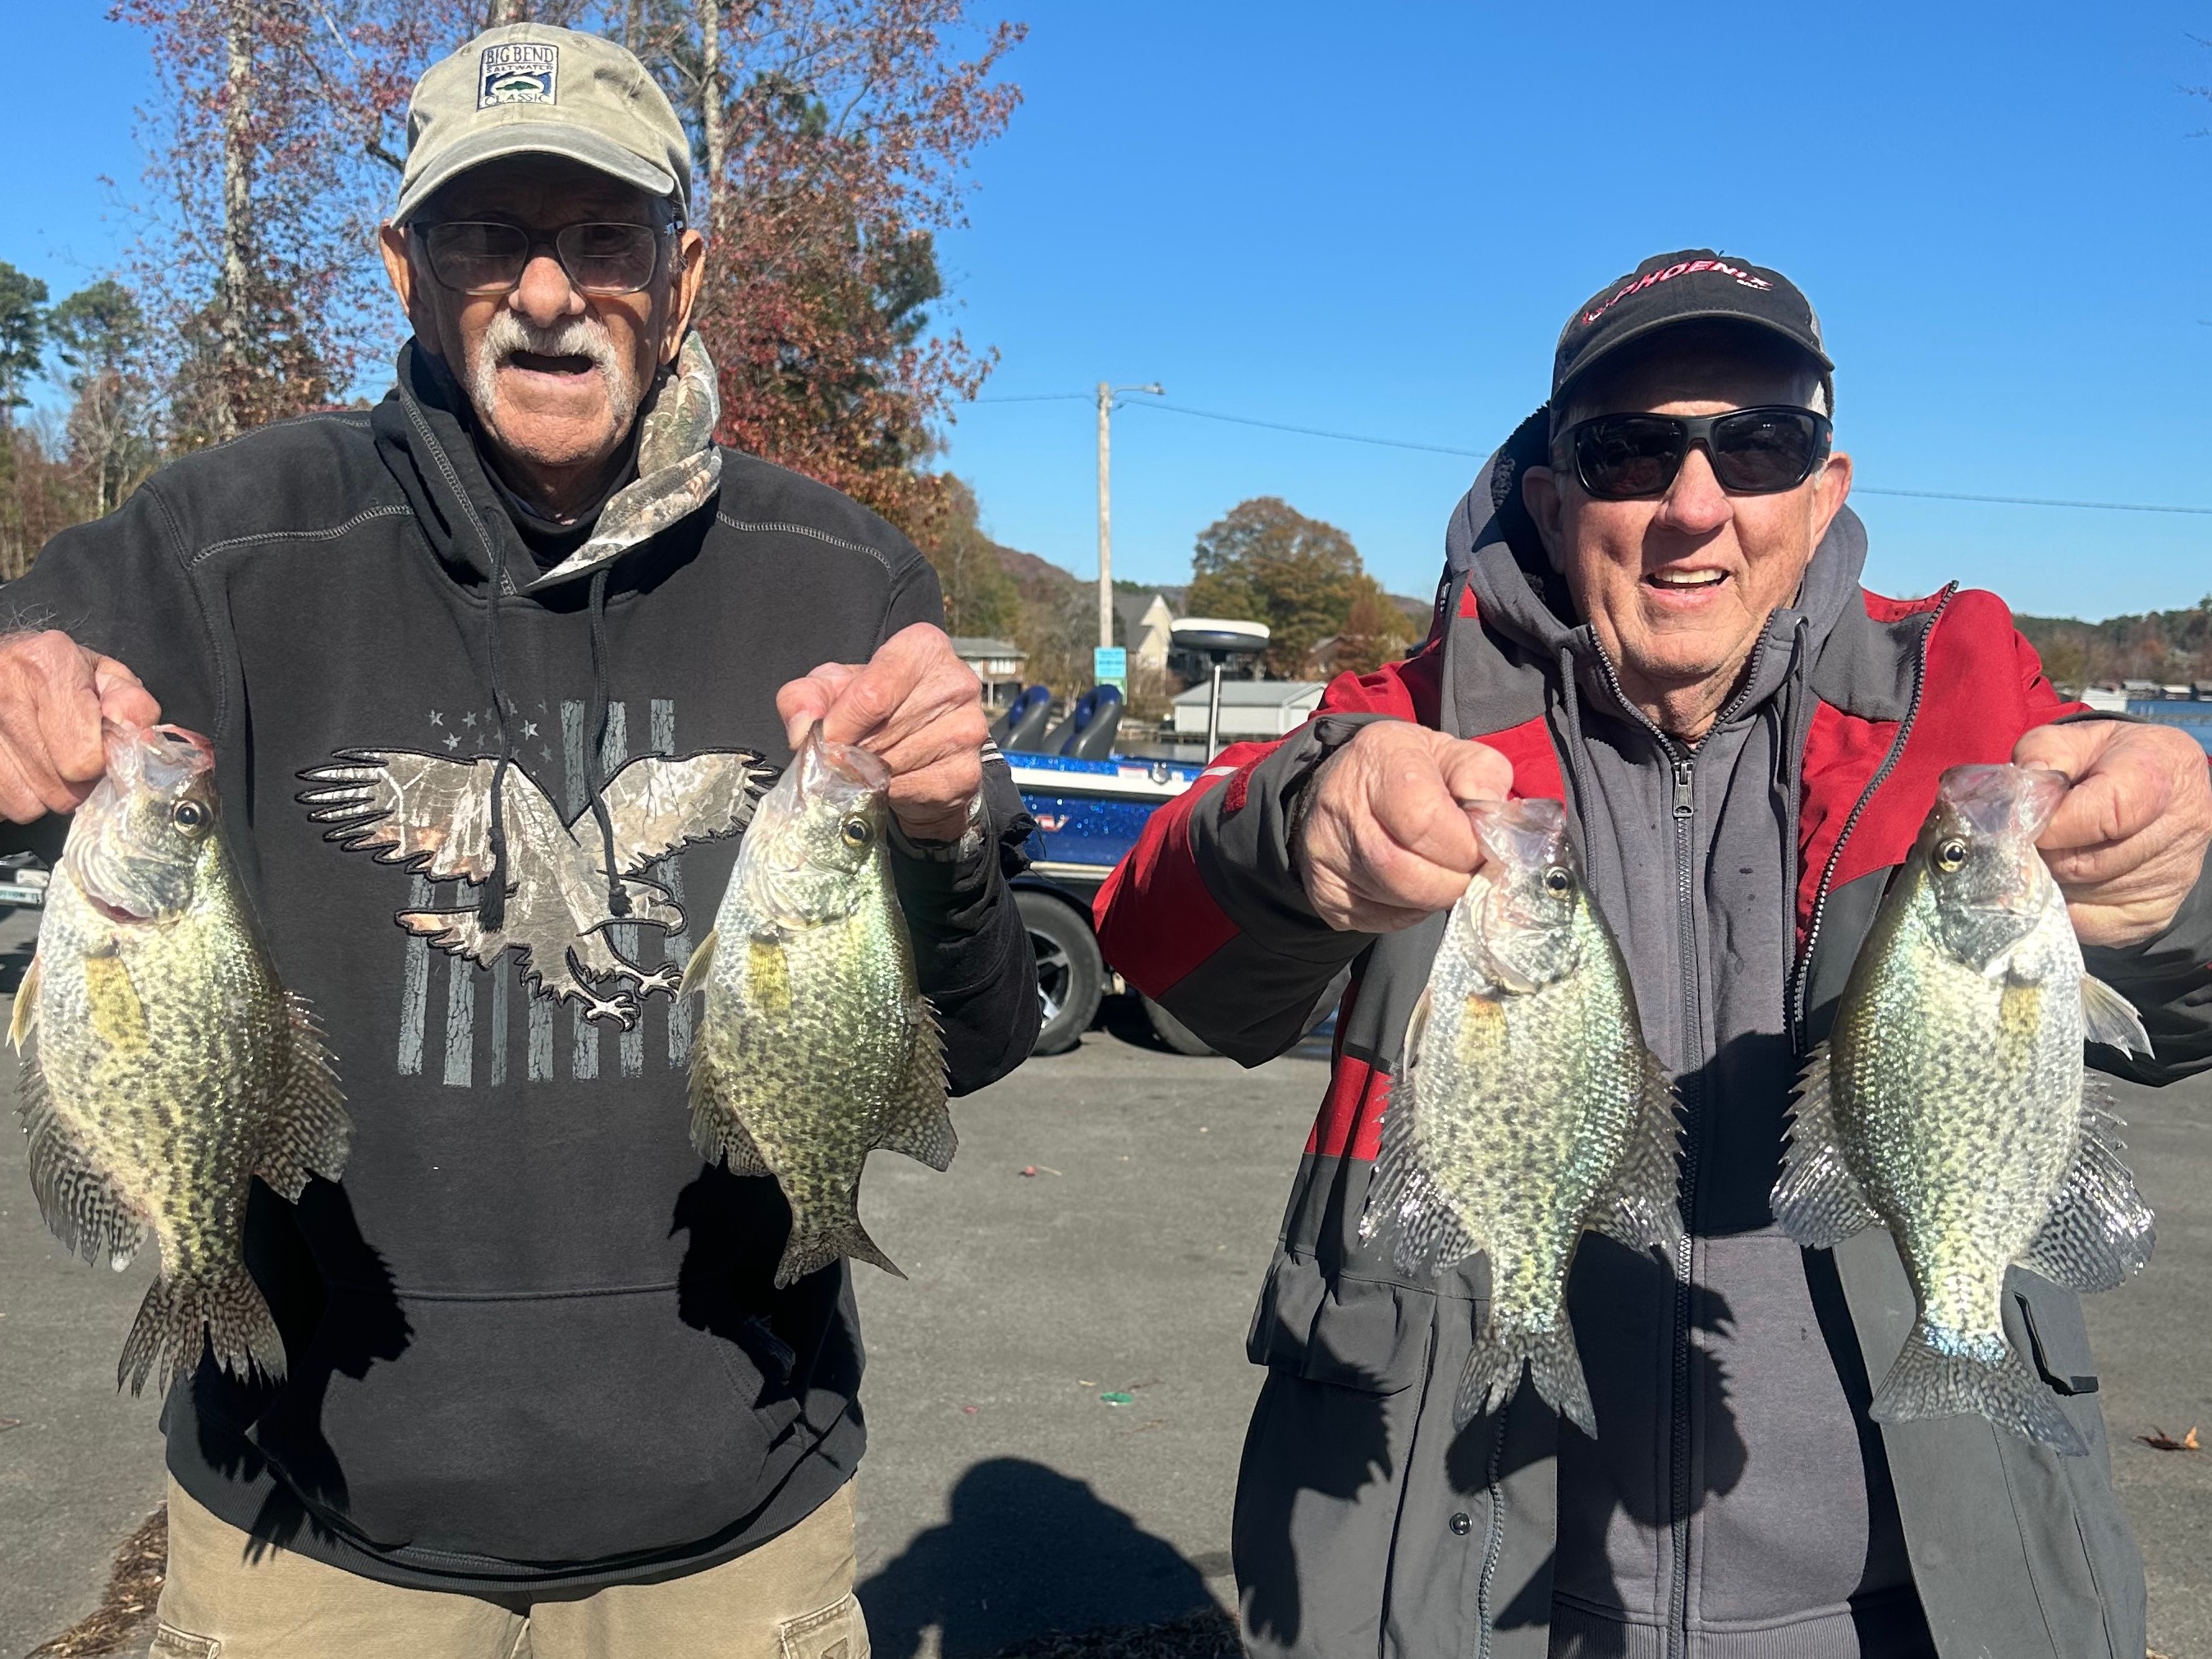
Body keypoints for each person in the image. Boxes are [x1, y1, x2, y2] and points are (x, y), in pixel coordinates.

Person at [0, 23, 1037, 1657]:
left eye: (603, 236)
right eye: (491, 235)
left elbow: (973, 1037)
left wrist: (945, 841)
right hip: (312, 1542)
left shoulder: (841, 580)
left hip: (732, 1536)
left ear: (682, 274)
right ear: (406, 266)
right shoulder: (211, 543)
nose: (548, 290)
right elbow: (28, 668)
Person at [1096, 250, 2212, 1659]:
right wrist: (1292, 841)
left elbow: (2188, 1003)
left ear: (1826, 489)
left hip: (1919, 1615)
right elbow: (1158, 952)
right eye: (1634, 451)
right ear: (1558, 502)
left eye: (1758, 443)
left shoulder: (1974, 704)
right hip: (1472, 1607)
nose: (1697, 505)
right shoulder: (1414, 722)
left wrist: (2183, 879)